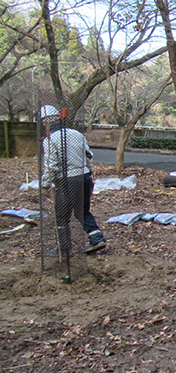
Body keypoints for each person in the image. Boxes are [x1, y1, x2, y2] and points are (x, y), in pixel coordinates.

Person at [40, 105, 107, 260]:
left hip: (67, 180)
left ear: (45, 123)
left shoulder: (50, 139)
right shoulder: (76, 134)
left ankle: (64, 249)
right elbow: (89, 155)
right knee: (82, 211)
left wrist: (44, 183)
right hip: (84, 177)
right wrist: (89, 173)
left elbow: (52, 165)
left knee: (61, 215)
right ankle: (97, 239)